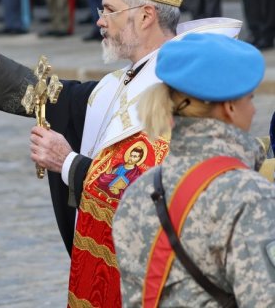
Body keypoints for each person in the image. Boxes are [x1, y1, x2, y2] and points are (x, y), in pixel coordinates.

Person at [0, 0, 243, 306]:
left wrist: (69, 162)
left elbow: (153, 190)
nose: (100, 21)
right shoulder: (124, 78)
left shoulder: (184, 92)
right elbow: (61, 98)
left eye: (109, 10)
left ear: (145, 16)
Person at [114, 33, 275, 306]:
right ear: (230, 107)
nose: (255, 110)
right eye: (250, 98)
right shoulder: (250, 195)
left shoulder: (139, 191)